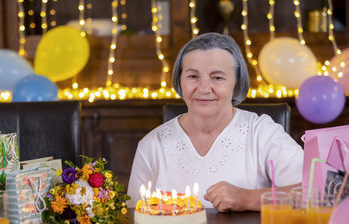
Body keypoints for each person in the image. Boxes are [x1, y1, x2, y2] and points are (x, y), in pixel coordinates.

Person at [127, 32, 303, 212]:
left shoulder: (262, 133)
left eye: (217, 78)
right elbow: (134, 218)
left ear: (236, 84)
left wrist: (247, 198)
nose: (203, 88)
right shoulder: (151, 145)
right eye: (193, 76)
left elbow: (316, 192)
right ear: (180, 82)